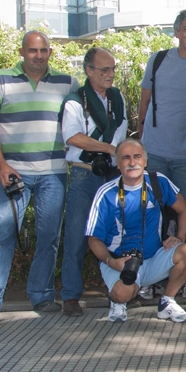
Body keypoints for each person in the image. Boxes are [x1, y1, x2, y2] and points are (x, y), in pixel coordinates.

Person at [0, 31, 80, 329]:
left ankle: (41, 295)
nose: (38, 56)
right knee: (2, 234)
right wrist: (1, 165)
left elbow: (79, 124)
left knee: (49, 236)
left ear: (50, 52)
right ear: (22, 51)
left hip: (54, 173)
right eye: (32, 50)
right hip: (13, 172)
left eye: (43, 50)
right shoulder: (1, 80)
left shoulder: (68, 83)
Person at [138, 9, 186, 299]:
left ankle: (184, 277)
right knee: (152, 216)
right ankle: (148, 277)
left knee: (184, 217)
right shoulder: (158, 60)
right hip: (155, 153)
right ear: (176, 32)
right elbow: (144, 104)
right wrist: (141, 145)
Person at [86, 139, 186, 323]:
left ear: (145, 161)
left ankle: (167, 301)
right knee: (123, 294)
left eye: (137, 157)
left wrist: (178, 237)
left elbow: (184, 210)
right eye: (126, 158)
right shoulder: (106, 193)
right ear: (117, 163)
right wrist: (111, 262)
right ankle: (117, 300)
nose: (132, 163)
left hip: (154, 257)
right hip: (120, 260)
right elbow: (93, 239)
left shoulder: (158, 182)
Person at [59, 47, 128, 316]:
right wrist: (108, 149)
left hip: (111, 174)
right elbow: (72, 136)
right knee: (76, 235)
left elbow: (120, 131)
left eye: (112, 69)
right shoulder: (76, 101)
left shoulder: (117, 98)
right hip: (83, 173)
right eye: (104, 70)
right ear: (89, 71)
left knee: (116, 235)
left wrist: (116, 152)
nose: (110, 74)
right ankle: (70, 295)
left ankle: (120, 288)